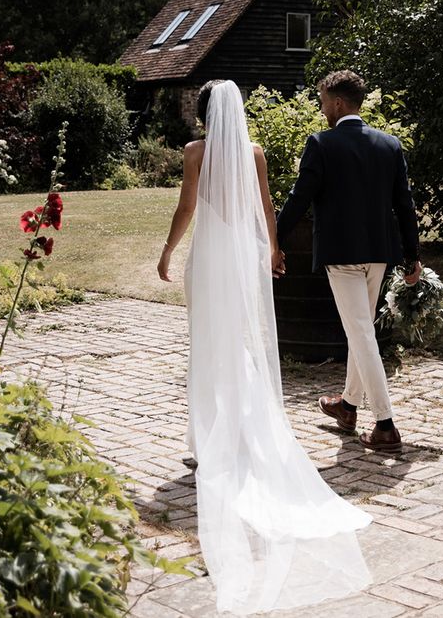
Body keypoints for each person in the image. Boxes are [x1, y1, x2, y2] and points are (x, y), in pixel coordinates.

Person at [157, 80, 372, 615]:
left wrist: (166, 251)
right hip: (245, 255)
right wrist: (273, 250)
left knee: (209, 341)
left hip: (209, 255)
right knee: (243, 343)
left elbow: (187, 207)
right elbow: (267, 205)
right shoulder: (253, 153)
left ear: (204, 114)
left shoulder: (194, 152)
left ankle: (213, 431)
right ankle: (239, 428)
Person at [276, 70, 422, 454]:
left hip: (341, 256)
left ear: (338, 103)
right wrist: (413, 255)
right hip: (379, 254)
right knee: (362, 331)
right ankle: (348, 406)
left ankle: (386, 425)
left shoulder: (321, 144)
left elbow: (299, 198)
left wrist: (272, 237)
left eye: (323, 100)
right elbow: (404, 205)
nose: (321, 107)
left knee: (360, 333)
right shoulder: (388, 145)